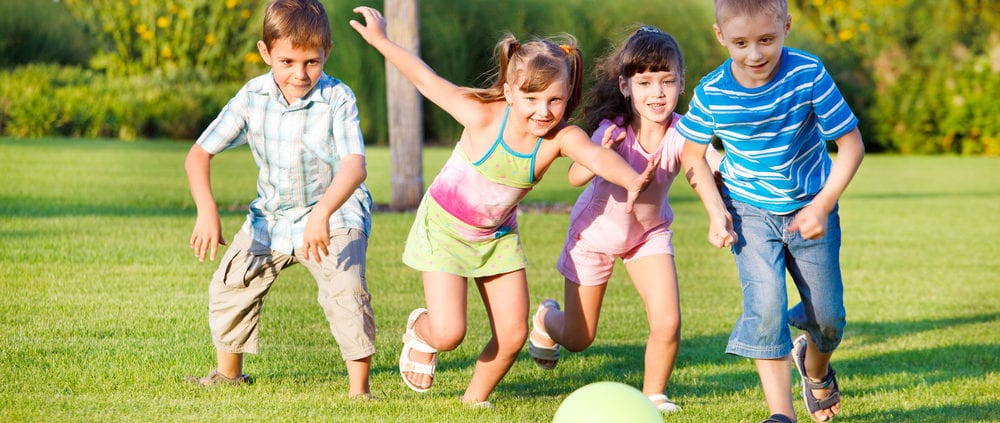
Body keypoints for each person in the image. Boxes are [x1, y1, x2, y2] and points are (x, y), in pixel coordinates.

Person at [350, 6, 655, 408]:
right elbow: (427, 80)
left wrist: (632, 179)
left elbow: (595, 156)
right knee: (449, 332)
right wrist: (381, 41)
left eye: (555, 100)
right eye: (531, 98)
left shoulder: (559, 138)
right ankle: (423, 332)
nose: (543, 111)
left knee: (512, 335)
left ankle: (472, 400)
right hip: (444, 230)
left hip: (496, 238)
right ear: (510, 92)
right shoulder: (480, 115)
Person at [676, 0, 865, 422]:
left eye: (767, 40)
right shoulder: (712, 92)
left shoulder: (807, 73)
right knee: (766, 308)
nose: (755, 54)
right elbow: (692, 156)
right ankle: (782, 414)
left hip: (810, 209)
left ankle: (814, 369)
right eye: (741, 42)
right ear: (720, 36)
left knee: (829, 319)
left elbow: (851, 146)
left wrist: (822, 205)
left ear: (787, 26)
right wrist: (715, 210)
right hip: (748, 212)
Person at [183, 0, 377, 401]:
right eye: (287, 61)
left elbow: (354, 167)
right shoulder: (252, 96)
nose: (300, 74)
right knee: (231, 283)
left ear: (327, 53)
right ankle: (228, 375)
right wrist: (207, 210)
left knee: (346, 289)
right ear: (265, 52)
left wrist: (323, 212)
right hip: (271, 217)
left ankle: (360, 391)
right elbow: (199, 154)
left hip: (335, 211)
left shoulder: (338, 98)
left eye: (312, 62)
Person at [528, 25, 722, 414]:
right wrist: (598, 152)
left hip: (647, 236)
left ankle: (654, 395)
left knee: (667, 321)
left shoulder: (684, 131)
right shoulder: (611, 131)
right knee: (579, 338)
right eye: (646, 82)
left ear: (682, 83)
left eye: (667, 81)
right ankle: (546, 319)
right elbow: (575, 176)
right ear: (625, 86)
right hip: (593, 236)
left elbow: (708, 165)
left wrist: (728, 191)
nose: (658, 93)